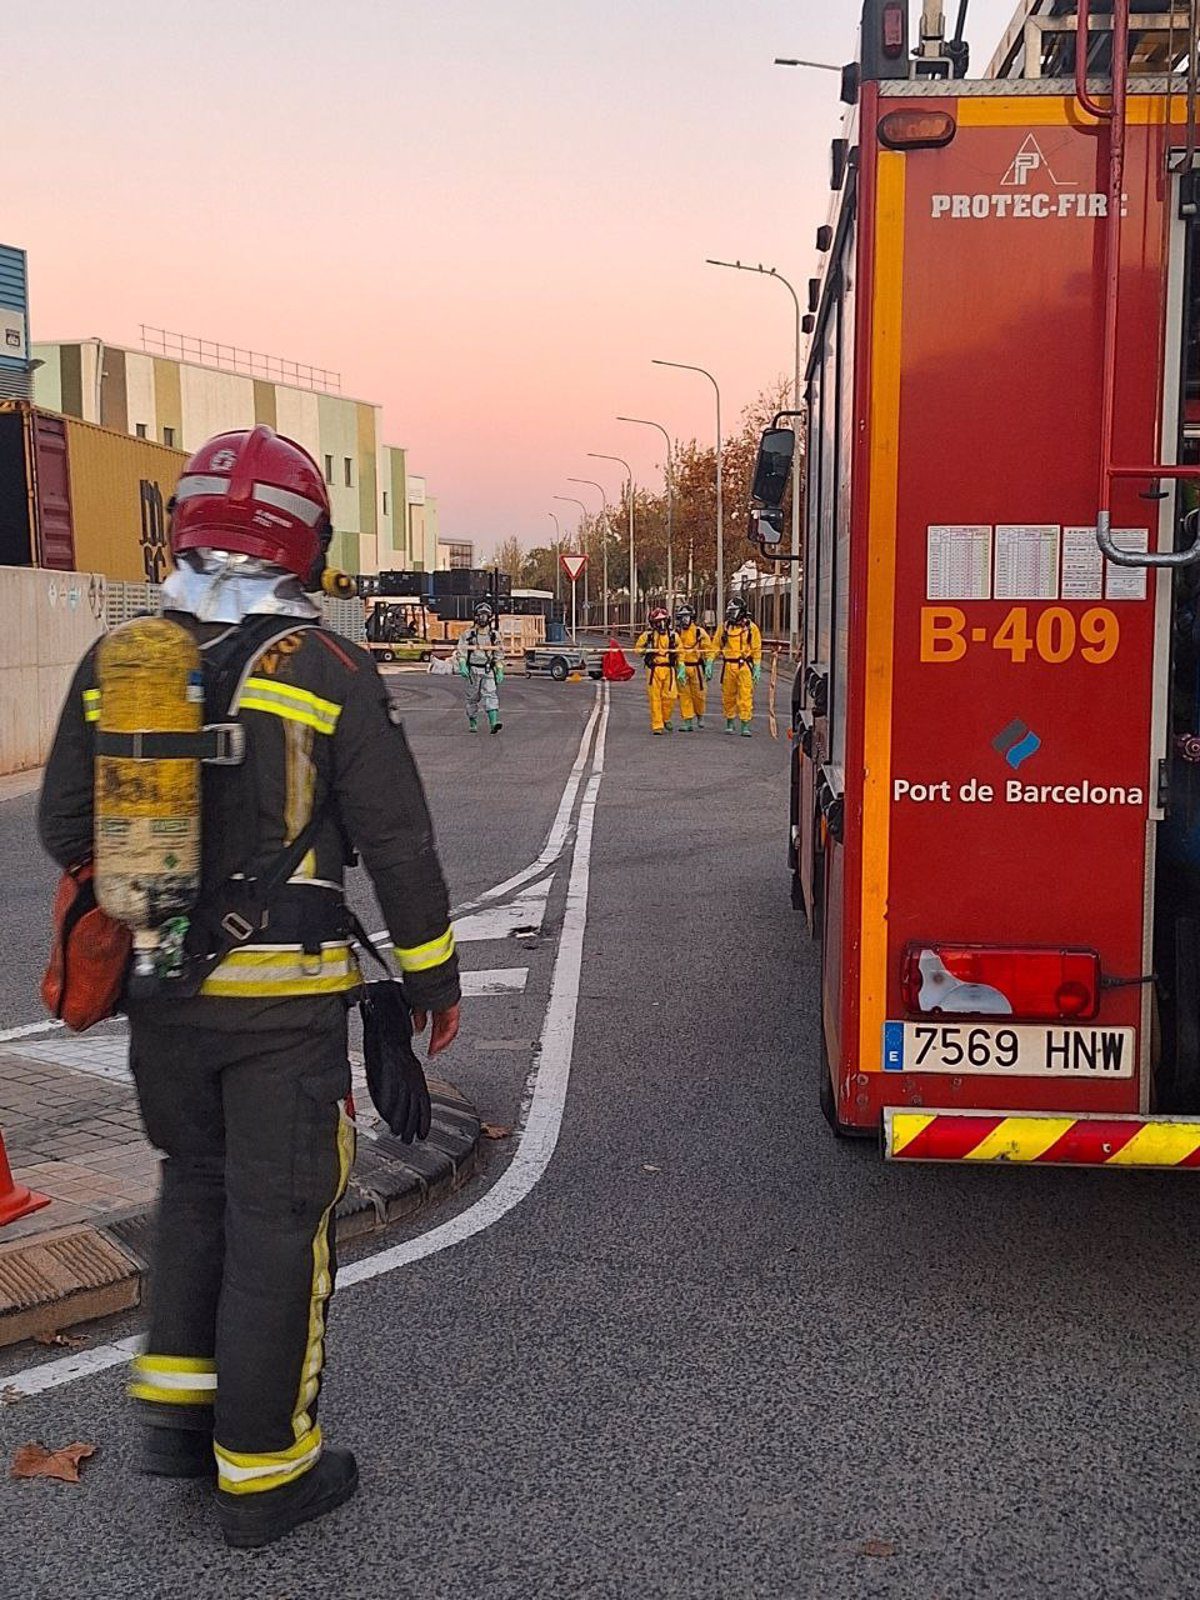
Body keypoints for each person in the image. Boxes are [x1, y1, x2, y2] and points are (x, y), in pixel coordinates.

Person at [38, 426, 462, 1549]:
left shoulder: (121, 660)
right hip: (281, 1020)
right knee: (281, 1223)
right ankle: (268, 1473)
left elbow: (61, 826)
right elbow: (399, 842)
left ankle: (178, 1425)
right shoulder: (327, 672)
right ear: (302, 538)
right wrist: (432, 979)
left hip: (161, 1000)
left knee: (195, 1189)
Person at [710, 597, 763, 735]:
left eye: (734, 612)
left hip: (744, 666)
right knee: (728, 695)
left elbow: (756, 649)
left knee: (745, 696)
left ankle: (745, 724)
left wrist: (757, 666)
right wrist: (709, 662)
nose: (731, 615)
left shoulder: (751, 628)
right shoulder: (725, 627)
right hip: (728, 666)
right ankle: (730, 721)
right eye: (730, 612)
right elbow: (715, 646)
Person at [455, 601, 504, 733]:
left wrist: (499, 669)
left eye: (485, 615)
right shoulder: (468, 634)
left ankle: (494, 723)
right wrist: (462, 665)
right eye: (480, 615)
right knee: (472, 698)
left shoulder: (494, 635)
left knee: (491, 694)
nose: (482, 618)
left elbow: (498, 654)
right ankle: (473, 721)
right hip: (473, 670)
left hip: (488, 669)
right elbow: (462, 652)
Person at [634, 607, 680, 734]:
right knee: (655, 698)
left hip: (669, 669)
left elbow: (680, 652)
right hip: (654, 670)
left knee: (670, 697)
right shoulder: (647, 636)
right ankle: (657, 725)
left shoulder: (673, 636)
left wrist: (680, 667)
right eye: (658, 621)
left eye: (663, 621)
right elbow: (637, 649)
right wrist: (645, 651)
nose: (661, 624)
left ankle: (666, 718)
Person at [673, 603, 715, 732]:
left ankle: (700, 715)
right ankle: (687, 720)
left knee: (699, 694)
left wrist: (709, 664)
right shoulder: (676, 633)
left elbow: (709, 649)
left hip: (696, 668)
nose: (684, 620)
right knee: (684, 695)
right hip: (682, 668)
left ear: (692, 618)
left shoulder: (699, 632)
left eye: (686, 617)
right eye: (682, 617)